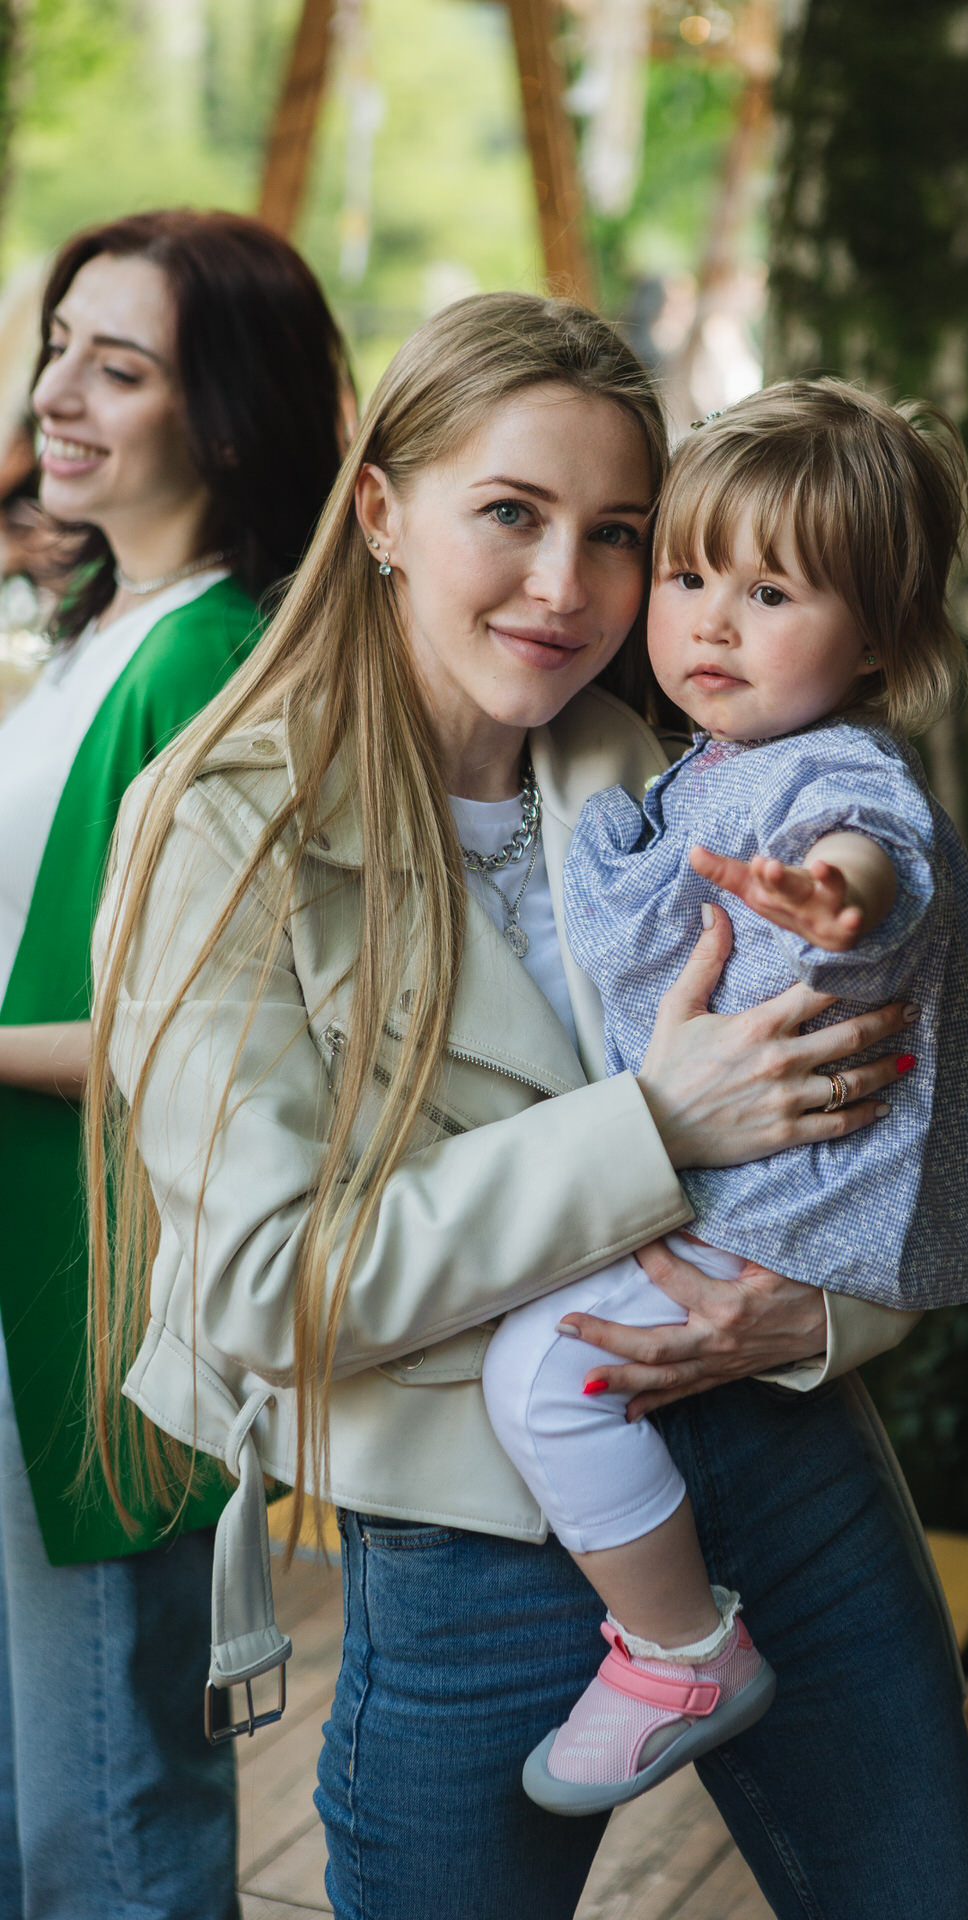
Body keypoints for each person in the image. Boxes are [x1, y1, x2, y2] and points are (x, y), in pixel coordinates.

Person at [90, 292, 968, 1919]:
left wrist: (805, 1325)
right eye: (510, 515)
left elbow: (896, 1128)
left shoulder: (686, 762)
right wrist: (654, 1131)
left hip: (797, 1469)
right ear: (380, 507)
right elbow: (260, 1289)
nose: (566, 587)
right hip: (476, 1537)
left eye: (619, 537)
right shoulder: (230, 822)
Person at [484, 379, 968, 1815]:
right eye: (686, 574)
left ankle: (680, 1651)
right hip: (720, 1190)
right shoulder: (706, 760)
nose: (711, 622)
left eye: (772, 590)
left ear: (878, 637)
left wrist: (828, 901)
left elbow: (871, 851)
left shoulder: (835, 774)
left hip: (775, 1203)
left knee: (543, 1379)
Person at [0, 208, 347, 1920]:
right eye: (59, 342)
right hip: (33, 1271)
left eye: (114, 366)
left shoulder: (214, 659)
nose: (57, 393)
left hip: (103, 1305)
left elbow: (195, 1043)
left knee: (106, 1813)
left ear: (225, 416)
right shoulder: (105, 625)